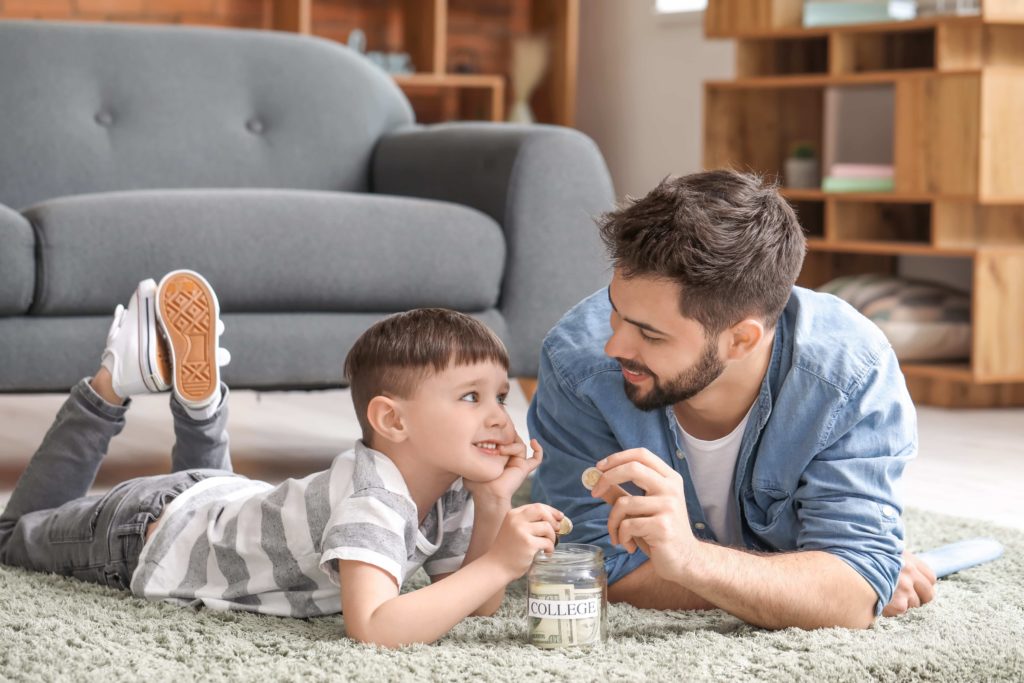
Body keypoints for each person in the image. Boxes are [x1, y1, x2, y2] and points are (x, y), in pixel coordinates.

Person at [0, 270, 561, 648]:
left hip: (222, 501)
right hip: (142, 533)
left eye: (500, 397)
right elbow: (373, 626)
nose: (497, 416)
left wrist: (493, 503)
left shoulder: (453, 487)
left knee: (224, 514)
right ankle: (111, 384)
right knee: (9, 538)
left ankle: (200, 408)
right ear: (392, 421)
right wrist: (499, 564)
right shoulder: (375, 499)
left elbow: (474, 605)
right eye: (471, 397)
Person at [529, 170, 937, 630]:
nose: (614, 346)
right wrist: (808, 583)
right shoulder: (577, 364)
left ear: (741, 340)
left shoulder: (848, 375)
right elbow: (591, 571)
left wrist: (689, 560)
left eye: (649, 333)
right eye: (615, 310)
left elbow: (850, 595)